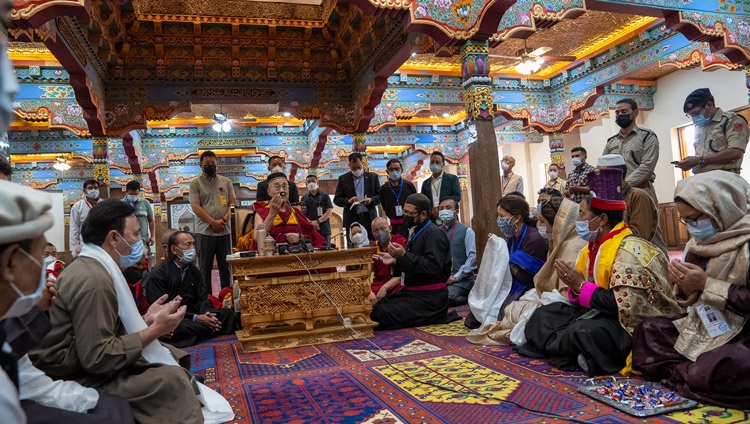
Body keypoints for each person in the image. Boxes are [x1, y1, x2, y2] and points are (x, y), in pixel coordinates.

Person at [30, 200, 234, 423]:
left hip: (83, 356)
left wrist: (146, 320)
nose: (141, 240)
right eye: (136, 234)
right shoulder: (94, 280)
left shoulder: (92, 266)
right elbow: (97, 358)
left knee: (168, 353)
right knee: (170, 378)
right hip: (72, 372)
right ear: (114, 238)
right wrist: (155, 330)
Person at [517, 168, 680, 376]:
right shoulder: (592, 247)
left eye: (582, 215)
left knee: (584, 332)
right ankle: (572, 354)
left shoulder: (628, 251)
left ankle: (575, 353)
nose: (579, 222)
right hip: (597, 311)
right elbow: (585, 296)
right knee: (543, 315)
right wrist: (577, 289)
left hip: (626, 324)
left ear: (602, 220)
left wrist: (581, 286)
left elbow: (622, 306)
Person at [0, 181, 134, 424]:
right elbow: (95, 356)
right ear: (10, 263)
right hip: (74, 368)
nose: (48, 268)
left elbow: (30, 380)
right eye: (41, 257)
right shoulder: (91, 278)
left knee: (113, 407)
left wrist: (89, 400)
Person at [632, 171, 750, 409]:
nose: (691, 227)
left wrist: (706, 284)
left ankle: (687, 373)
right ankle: (694, 374)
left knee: (735, 363)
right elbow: (690, 303)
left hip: (744, 331)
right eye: (685, 220)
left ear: (722, 208)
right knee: (648, 330)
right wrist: (686, 287)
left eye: (695, 218)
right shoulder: (698, 245)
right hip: (706, 323)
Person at [467, 196, 587, 345]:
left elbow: (531, 276)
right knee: (478, 312)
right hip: (533, 287)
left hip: (533, 287)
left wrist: (503, 256)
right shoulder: (547, 240)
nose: (538, 225)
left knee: (510, 312)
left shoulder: (539, 239)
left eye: (542, 221)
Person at [465, 195, 548, 329]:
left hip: (526, 286)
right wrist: (497, 248)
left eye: (502, 216)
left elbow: (526, 276)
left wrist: (502, 256)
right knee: (474, 317)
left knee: (497, 315)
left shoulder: (534, 239)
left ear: (516, 218)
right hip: (511, 281)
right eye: (497, 216)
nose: (499, 220)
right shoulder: (512, 238)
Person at [371, 193, 452, 330]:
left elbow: (434, 266)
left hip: (429, 300)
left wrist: (403, 257)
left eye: (410, 213)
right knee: (376, 306)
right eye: (405, 211)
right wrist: (395, 260)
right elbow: (413, 260)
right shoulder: (416, 231)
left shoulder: (433, 234)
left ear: (423, 214)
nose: (406, 216)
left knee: (380, 314)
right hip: (414, 293)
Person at [146, 231, 237, 348]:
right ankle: (208, 329)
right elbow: (159, 309)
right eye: (188, 245)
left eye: (193, 244)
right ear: (174, 249)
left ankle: (205, 327)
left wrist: (206, 314)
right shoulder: (159, 273)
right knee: (175, 327)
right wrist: (196, 318)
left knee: (227, 315)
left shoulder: (193, 270)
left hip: (195, 314)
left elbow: (202, 297)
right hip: (176, 318)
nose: (193, 248)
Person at [597, 154, 667, 254]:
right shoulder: (603, 198)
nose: (597, 178)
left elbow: (638, 238)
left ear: (615, 175)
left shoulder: (638, 196)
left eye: (601, 174)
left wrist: (605, 235)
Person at [189, 150, 236, 289]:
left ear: (217, 164)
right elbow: (196, 207)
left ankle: (226, 297)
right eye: (207, 163)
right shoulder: (195, 183)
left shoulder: (226, 182)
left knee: (226, 267)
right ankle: (206, 300)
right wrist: (213, 222)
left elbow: (232, 203)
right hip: (204, 231)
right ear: (201, 165)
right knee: (204, 268)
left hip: (225, 231)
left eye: (213, 163)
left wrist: (224, 220)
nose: (210, 166)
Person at [676, 88, 750, 174]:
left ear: (709, 104)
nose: (694, 118)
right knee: (681, 186)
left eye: (696, 113)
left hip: (724, 176)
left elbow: (736, 152)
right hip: (701, 177)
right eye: (690, 115)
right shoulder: (699, 126)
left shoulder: (731, 121)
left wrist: (699, 160)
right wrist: (689, 163)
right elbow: (701, 156)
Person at [603, 98, 659, 204]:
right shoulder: (611, 141)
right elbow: (604, 166)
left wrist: (624, 185)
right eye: (617, 112)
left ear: (635, 113)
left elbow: (647, 166)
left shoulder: (647, 136)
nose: (620, 115)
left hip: (641, 191)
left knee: (643, 220)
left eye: (624, 111)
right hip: (617, 196)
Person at [253, 172, 327, 249]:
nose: (282, 190)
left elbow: (312, 234)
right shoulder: (261, 212)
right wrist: (272, 214)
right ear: (269, 192)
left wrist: (300, 237)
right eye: (277, 187)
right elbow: (258, 238)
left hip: (298, 251)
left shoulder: (295, 211)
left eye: (285, 187)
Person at [334, 153, 380, 247]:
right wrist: (348, 201)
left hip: (369, 217)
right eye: (354, 168)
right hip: (352, 218)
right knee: (353, 246)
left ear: (362, 163)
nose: (357, 170)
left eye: (358, 167)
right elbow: (337, 199)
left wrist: (371, 200)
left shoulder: (372, 177)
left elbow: (380, 196)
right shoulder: (343, 179)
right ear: (349, 165)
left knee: (372, 244)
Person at [439, 197, 476, 307]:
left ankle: (468, 297)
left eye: (448, 208)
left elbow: (473, 258)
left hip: (461, 281)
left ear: (456, 212)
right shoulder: (437, 231)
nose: (444, 210)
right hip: (442, 280)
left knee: (445, 298)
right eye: (441, 208)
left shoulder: (466, 231)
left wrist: (456, 277)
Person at [368, 217, 406, 304]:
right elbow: (366, 275)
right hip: (379, 283)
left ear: (390, 228)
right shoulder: (372, 248)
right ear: (372, 233)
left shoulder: (400, 242)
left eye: (382, 228)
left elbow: (405, 271)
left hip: (396, 282)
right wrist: (369, 291)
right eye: (376, 230)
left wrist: (385, 287)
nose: (379, 233)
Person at [379, 159, 417, 239]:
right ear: (387, 171)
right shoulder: (383, 189)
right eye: (391, 169)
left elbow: (415, 204)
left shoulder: (409, 186)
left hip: (409, 225)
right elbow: (385, 207)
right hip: (393, 226)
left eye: (397, 169)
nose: (394, 171)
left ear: (401, 170)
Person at [420, 151, 461, 219]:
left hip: (449, 216)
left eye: (437, 162)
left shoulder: (452, 179)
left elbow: (457, 196)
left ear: (443, 164)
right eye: (432, 162)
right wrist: (432, 211)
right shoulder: (425, 183)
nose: (434, 164)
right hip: (432, 218)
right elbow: (424, 202)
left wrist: (440, 208)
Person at [69, 179, 102, 256]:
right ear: (84, 190)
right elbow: (74, 228)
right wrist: (75, 248)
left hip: (102, 244)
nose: (94, 190)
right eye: (90, 188)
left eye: (96, 188)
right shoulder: (77, 207)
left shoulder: (105, 205)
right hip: (84, 245)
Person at [122, 180, 155, 254]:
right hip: (126, 241)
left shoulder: (145, 203)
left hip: (142, 240)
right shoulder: (120, 204)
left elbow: (151, 220)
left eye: (136, 194)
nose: (133, 196)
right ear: (126, 192)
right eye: (131, 194)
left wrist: (153, 236)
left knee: (143, 263)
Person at [301, 174, 333, 246]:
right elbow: (303, 215)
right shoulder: (304, 198)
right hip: (311, 230)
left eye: (313, 181)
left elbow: (329, 211)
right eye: (309, 182)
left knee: (326, 252)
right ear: (306, 184)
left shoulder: (325, 196)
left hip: (324, 229)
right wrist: (312, 223)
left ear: (317, 183)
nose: (311, 183)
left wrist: (318, 221)